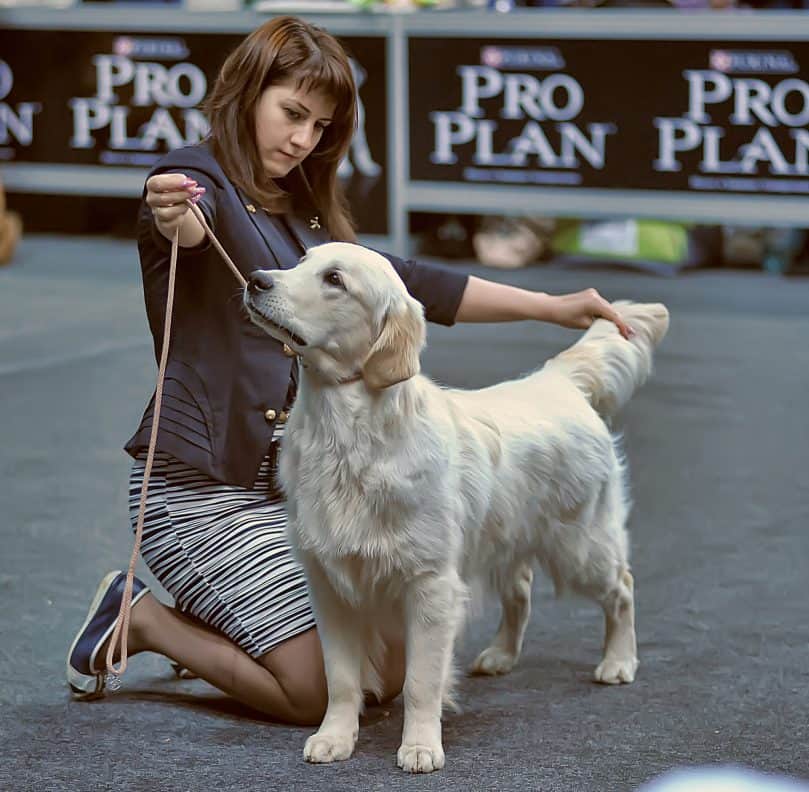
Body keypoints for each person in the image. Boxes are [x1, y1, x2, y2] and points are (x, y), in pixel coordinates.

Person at [65, 15, 635, 726]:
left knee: (386, 676)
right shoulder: (192, 180)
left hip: (293, 494)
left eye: (320, 127)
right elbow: (178, 219)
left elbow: (412, 280)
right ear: (247, 92)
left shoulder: (304, 215)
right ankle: (141, 618)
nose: (302, 138)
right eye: (292, 113)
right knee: (314, 694)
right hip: (199, 492)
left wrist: (552, 307)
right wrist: (170, 213)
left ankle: (233, 622)